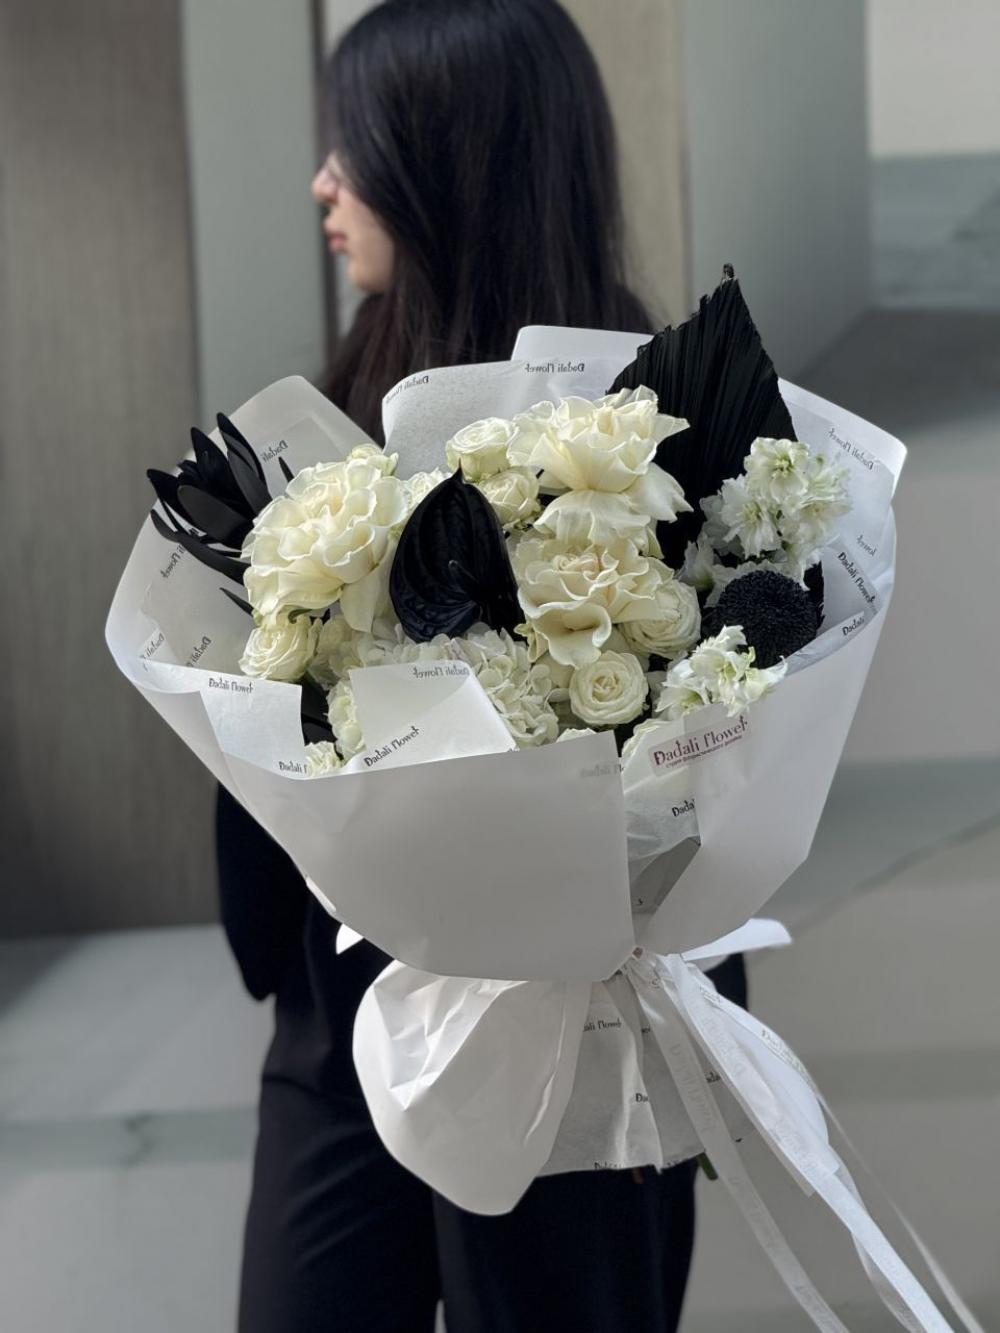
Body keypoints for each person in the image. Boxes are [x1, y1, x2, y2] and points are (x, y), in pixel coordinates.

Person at [218, 3, 747, 1329]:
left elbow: (719, 762)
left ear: (447, 166)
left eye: (353, 148)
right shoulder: (340, 399)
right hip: (346, 1006)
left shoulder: (663, 435)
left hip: (576, 1025)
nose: (322, 183)